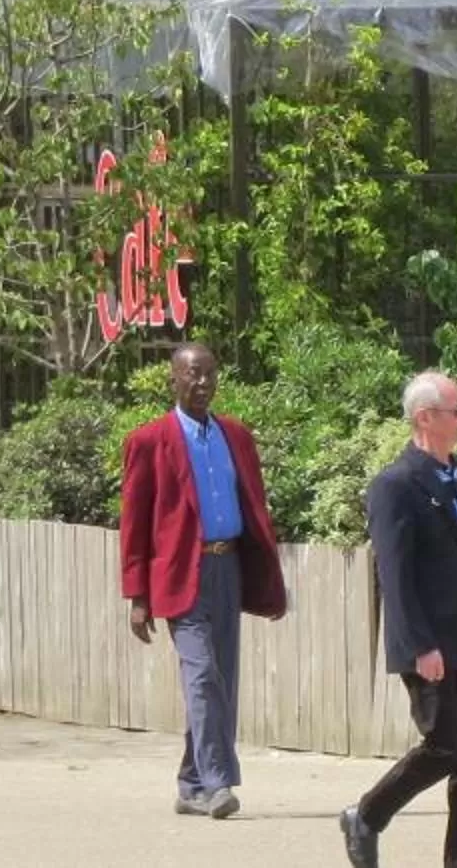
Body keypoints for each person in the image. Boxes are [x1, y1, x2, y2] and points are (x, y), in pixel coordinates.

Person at [119, 341, 287, 820]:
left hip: (228, 567)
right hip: (179, 572)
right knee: (201, 676)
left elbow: (256, 509)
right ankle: (217, 784)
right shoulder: (149, 441)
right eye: (192, 374)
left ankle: (191, 783)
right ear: (173, 379)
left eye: (210, 373)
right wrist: (137, 594)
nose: (203, 382)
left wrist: (269, 580)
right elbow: (134, 522)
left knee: (222, 679)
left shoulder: (236, 436)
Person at [342, 370, 457, 868]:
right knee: (445, 746)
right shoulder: (394, 485)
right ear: (425, 417)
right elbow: (394, 573)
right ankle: (366, 815)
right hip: (427, 640)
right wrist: (418, 645)